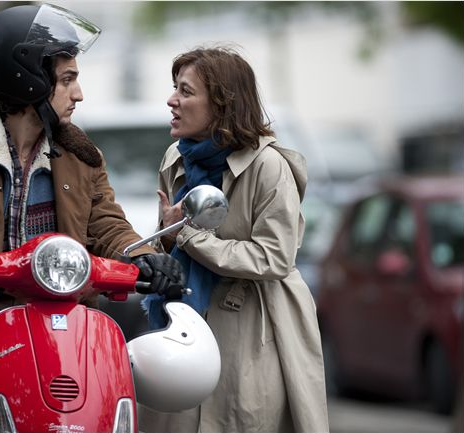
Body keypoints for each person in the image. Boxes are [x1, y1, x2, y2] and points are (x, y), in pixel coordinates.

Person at [0, 4, 184, 432]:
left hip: (63, 303)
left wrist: (146, 256)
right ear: (27, 78)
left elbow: (107, 223)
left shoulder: (82, 158)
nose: (79, 94)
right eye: (68, 80)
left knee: (105, 360)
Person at [138, 46, 329, 432]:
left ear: (222, 104)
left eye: (186, 91)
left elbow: (274, 257)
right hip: (183, 319)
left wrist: (187, 235)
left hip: (256, 327)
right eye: (175, 88)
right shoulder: (175, 158)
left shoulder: (269, 166)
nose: (172, 100)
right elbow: (168, 242)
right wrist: (168, 240)